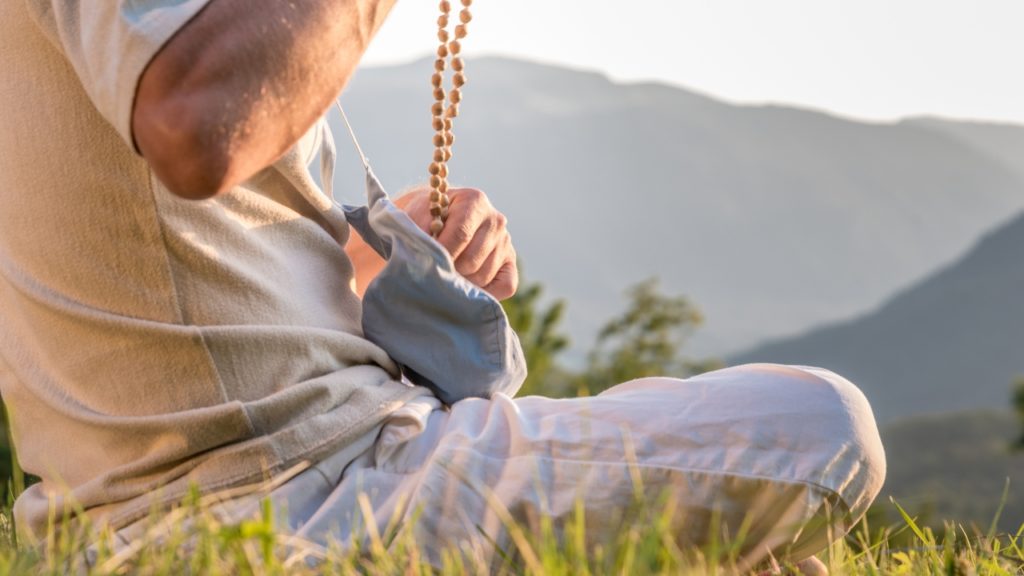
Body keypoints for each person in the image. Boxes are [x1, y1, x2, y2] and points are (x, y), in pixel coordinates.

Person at [0, 0, 885, 571]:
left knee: (760, 549)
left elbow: (155, 265)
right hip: (283, 496)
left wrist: (390, 249)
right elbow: (197, 126)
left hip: (183, 503)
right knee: (819, 427)